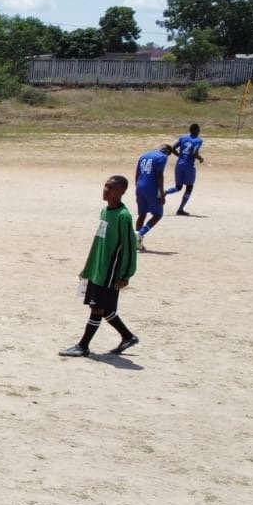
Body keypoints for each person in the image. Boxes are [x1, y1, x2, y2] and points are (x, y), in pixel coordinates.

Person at [60, 176, 139, 358]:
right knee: (105, 308)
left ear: (122, 192)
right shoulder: (104, 211)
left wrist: (126, 275)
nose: (106, 190)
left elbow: (129, 247)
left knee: (97, 308)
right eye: (105, 186)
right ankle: (127, 336)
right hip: (98, 268)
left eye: (111, 188)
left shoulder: (123, 216)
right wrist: (88, 267)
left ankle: (83, 346)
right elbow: (99, 242)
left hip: (111, 271)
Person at [133, 142, 171, 250]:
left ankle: (137, 243)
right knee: (158, 214)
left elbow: (137, 174)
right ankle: (140, 233)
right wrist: (162, 194)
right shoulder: (162, 157)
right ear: (167, 151)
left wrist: (137, 188)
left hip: (140, 186)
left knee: (142, 214)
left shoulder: (144, 155)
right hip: (151, 188)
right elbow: (159, 176)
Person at [165, 122, 205, 215]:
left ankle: (165, 192)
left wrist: (179, 156)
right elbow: (194, 153)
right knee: (189, 187)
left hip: (179, 164)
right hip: (189, 166)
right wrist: (200, 158)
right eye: (198, 130)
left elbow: (173, 148)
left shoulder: (183, 137)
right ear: (196, 130)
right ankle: (180, 209)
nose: (199, 132)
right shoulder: (198, 140)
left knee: (178, 187)